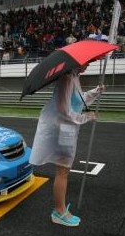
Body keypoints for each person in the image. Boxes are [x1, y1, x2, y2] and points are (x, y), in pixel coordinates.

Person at [29, 63, 106, 227]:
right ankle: (59, 211)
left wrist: (96, 91)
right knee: (62, 171)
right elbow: (63, 110)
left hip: (67, 128)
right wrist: (86, 117)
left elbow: (79, 99)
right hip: (61, 129)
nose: (88, 64)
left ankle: (60, 209)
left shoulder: (75, 77)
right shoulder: (66, 78)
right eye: (87, 62)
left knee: (64, 170)